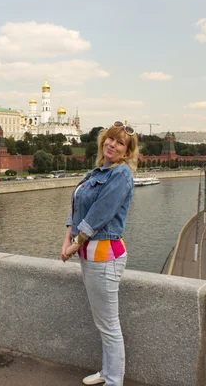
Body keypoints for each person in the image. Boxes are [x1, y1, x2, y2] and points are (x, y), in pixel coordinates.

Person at [61, 121, 139, 386]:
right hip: (91, 253)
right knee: (103, 323)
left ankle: (114, 381)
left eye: (120, 143)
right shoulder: (97, 171)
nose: (112, 145)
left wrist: (74, 245)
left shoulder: (121, 174)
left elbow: (100, 214)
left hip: (105, 253)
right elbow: (76, 203)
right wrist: (67, 237)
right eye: (110, 139)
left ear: (127, 151)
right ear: (103, 141)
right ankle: (107, 373)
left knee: (109, 325)